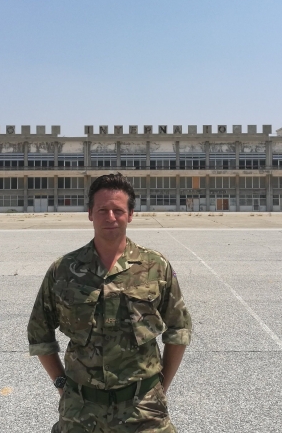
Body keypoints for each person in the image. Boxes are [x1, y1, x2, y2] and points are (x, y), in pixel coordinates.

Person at [27, 173, 192, 433]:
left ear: (131, 214)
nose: (111, 217)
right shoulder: (64, 270)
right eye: (103, 209)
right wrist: (61, 382)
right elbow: (39, 334)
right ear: (90, 213)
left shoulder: (155, 266)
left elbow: (179, 330)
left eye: (118, 210)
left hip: (144, 408)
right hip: (80, 408)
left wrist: (161, 385)